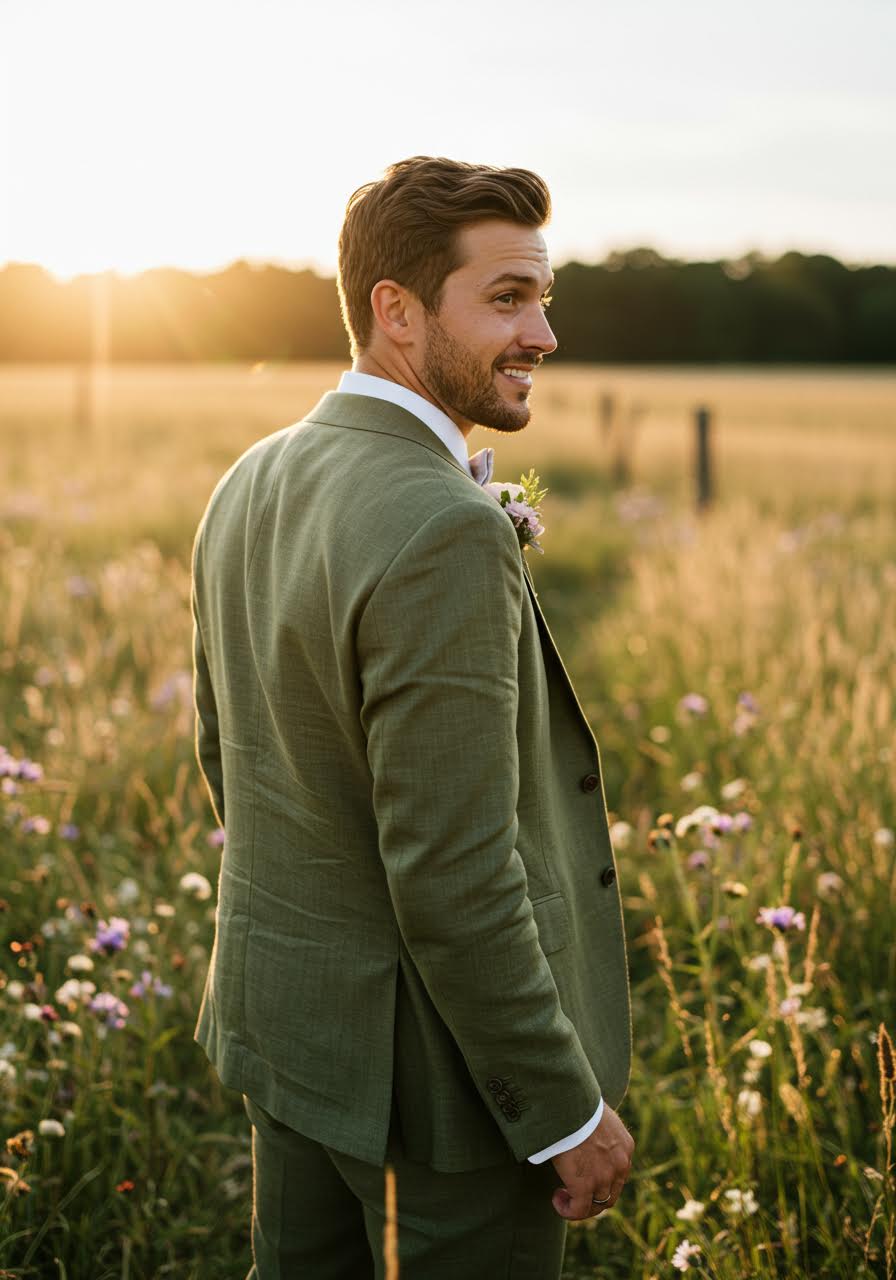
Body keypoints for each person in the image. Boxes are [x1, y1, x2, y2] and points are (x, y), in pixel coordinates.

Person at [190, 156, 633, 1280]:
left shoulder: (250, 476)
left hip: (294, 1041)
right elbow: (453, 871)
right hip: (438, 1094)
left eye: (542, 297)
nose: (540, 331)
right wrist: (556, 1109)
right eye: (504, 297)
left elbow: (229, 761)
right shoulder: (445, 525)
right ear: (395, 310)